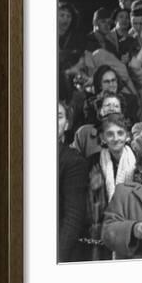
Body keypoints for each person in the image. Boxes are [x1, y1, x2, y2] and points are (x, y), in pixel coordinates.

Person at [87, 114, 136, 260]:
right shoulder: (92, 163)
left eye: (120, 133)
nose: (116, 138)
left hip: (130, 225)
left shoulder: (137, 160)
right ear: (102, 137)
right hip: (101, 227)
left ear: (127, 135)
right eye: (110, 134)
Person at [58, 101, 88, 262]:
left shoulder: (73, 160)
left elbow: (73, 218)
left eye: (58, 116)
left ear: (67, 124)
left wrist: (57, 257)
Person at [72, 91, 125, 158]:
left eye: (116, 106)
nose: (111, 109)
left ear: (121, 112)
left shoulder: (128, 137)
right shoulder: (84, 133)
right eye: (107, 105)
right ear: (100, 110)